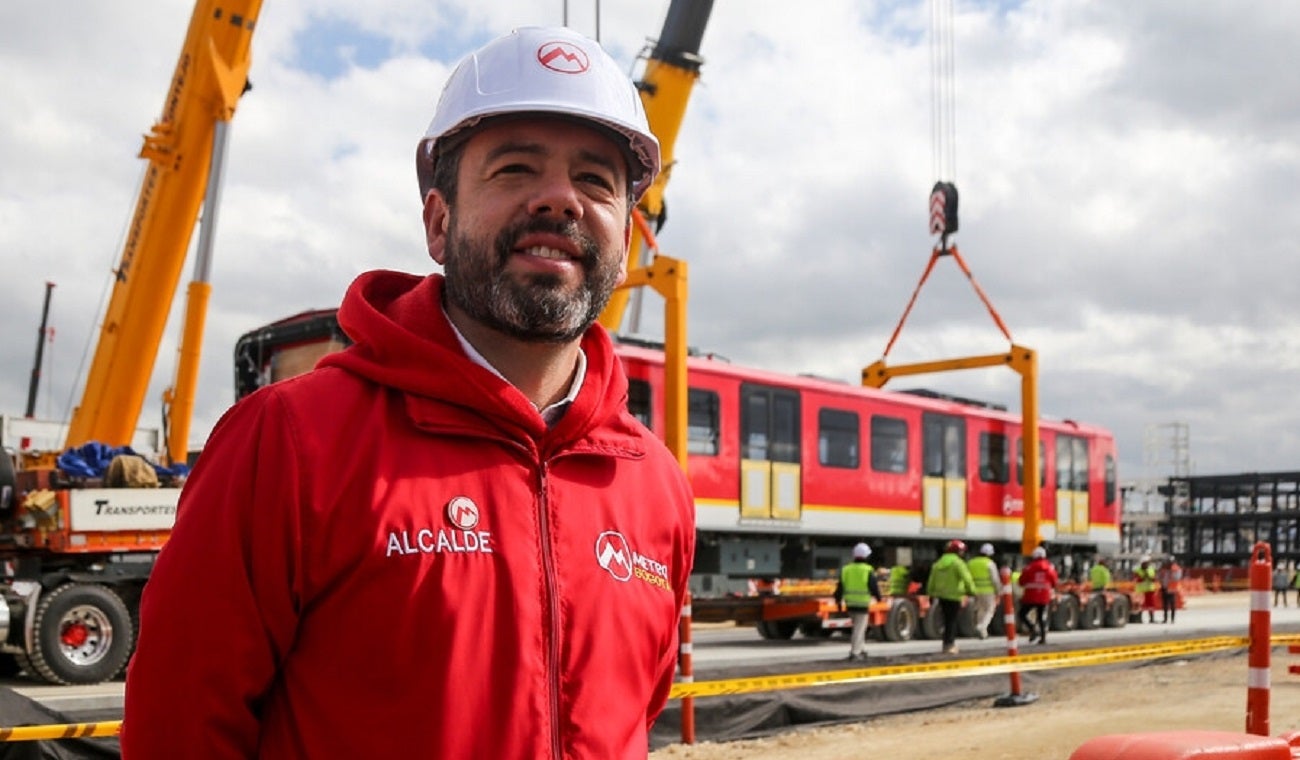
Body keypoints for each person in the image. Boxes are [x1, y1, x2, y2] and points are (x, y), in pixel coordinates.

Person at [122, 26, 696, 759]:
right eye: (515, 169)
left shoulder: (655, 486)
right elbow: (178, 729)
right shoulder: (289, 443)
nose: (560, 199)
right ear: (438, 221)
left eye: (595, 180)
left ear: (625, 240)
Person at [835, 542, 883, 661]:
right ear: (866, 556)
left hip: (850, 604)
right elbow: (873, 586)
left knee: (860, 628)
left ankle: (861, 650)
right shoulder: (867, 570)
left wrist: (838, 602)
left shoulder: (846, 569)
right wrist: (879, 598)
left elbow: (839, 588)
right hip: (862, 604)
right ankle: (855, 652)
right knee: (859, 629)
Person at [926, 539, 975, 654]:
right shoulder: (958, 563)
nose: (962, 553)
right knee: (952, 621)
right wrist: (972, 591)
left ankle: (946, 644)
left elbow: (931, 580)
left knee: (947, 620)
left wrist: (931, 593)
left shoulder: (938, 563)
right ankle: (950, 645)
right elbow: (966, 578)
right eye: (961, 551)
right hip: (955, 596)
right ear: (957, 551)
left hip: (942, 596)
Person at [1017, 546, 1059, 644]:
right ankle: (1043, 638)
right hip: (1044, 596)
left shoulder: (1029, 567)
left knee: (1022, 614)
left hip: (1030, 596)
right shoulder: (1050, 567)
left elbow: (1021, 582)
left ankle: (1032, 629)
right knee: (1041, 616)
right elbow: (1054, 582)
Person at [967, 543, 1002, 640]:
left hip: (974, 591)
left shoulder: (971, 562)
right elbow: (995, 579)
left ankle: (983, 633)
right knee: (989, 610)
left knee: (980, 610)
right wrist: (999, 591)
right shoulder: (990, 563)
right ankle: (981, 627)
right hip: (988, 591)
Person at [1134, 555, 1159, 623]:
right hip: (1141, 591)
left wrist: (1151, 578)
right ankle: (1139, 619)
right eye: (1145, 563)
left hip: (1150, 590)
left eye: (1147, 563)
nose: (1147, 564)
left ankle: (1152, 619)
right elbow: (1137, 579)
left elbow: (1154, 579)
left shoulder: (1151, 569)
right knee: (1140, 605)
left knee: (1151, 605)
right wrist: (1144, 576)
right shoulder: (1137, 570)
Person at [1157, 558, 1183, 623]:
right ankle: (1165, 619)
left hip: (1172, 589)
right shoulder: (1163, 570)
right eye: (1167, 563)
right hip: (1164, 588)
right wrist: (1160, 575)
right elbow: (1158, 577)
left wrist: (1172, 572)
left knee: (1172, 604)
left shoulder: (1176, 569)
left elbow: (1177, 578)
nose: (1168, 564)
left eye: (1170, 563)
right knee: (1165, 604)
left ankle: (1172, 619)